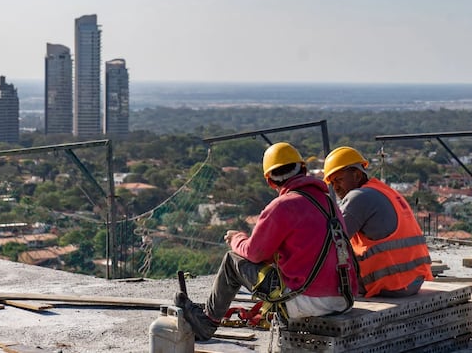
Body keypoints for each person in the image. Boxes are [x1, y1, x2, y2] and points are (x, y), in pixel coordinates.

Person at [175, 142, 358, 341]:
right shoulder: (329, 202)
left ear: (270, 181)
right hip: (343, 299)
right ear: (303, 169)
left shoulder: (283, 206)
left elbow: (254, 253)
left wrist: (236, 238)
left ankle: (207, 321)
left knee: (232, 260)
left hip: (306, 301)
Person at [323, 146, 433, 298]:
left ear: (356, 174)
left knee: (326, 259)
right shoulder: (384, 190)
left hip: (391, 284)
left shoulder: (358, 197)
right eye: (332, 183)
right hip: (413, 281)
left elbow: (329, 242)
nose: (336, 188)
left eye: (339, 180)